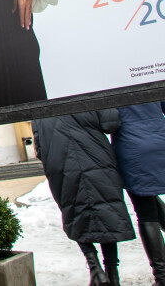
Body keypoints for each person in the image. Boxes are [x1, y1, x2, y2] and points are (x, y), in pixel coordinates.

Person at [33, 110, 134, 286]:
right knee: (106, 211)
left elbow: (39, 146)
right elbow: (110, 123)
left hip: (59, 164)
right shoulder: (83, 92)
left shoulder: (39, 106)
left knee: (73, 211)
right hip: (96, 157)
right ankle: (112, 274)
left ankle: (94, 266)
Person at [112, 102, 165, 285]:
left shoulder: (108, 85)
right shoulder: (142, 76)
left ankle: (162, 276)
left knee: (146, 213)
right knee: (149, 196)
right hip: (160, 141)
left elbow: (108, 123)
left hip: (131, 148)